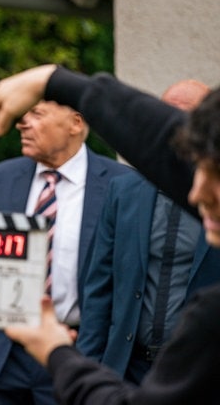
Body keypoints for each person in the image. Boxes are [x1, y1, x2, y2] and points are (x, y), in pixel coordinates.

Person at [0, 63, 220, 403]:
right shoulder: (127, 191)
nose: (197, 192)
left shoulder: (210, 316)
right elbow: (100, 290)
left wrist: (58, 353)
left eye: (206, 166)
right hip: (116, 363)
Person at [0, 97, 133, 404]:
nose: (21, 123)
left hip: (76, 352)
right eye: (23, 114)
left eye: (37, 114)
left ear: (75, 123)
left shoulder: (121, 184)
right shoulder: (1, 177)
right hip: (3, 353)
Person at [76, 80, 220, 384]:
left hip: (198, 374)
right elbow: (99, 289)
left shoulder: (214, 201)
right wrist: (86, 370)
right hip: (127, 369)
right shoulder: (124, 190)